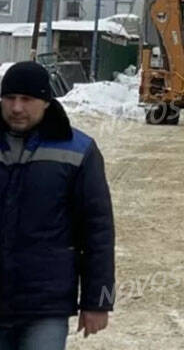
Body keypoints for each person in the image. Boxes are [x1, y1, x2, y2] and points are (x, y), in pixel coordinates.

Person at [0, 61, 115, 349]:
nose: (16, 108)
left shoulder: (79, 151)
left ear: (46, 103)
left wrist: (97, 301)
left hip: (45, 307)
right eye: (9, 98)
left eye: (27, 99)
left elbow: (97, 231)